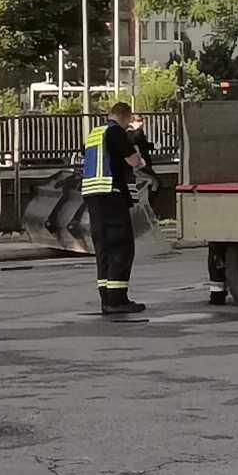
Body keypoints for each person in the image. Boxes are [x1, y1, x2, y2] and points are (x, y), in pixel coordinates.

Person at [84, 99, 154, 320]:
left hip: (93, 196)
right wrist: (140, 155)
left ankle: (107, 299)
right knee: (121, 247)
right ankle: (117, 301)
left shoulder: (95, 133)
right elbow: (134, 162)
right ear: (126, 116)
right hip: (112, 195)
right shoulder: (116, 132)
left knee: (104, 249)